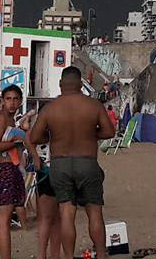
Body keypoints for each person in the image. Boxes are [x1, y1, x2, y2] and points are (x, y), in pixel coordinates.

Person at [28, 66, 116, 259]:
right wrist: (91, 134)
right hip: (87, 162)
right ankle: (101, 254)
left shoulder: (50, 108)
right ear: (80, 84)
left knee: (67, 214)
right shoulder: (93, 105)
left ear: (61, 84)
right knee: (94, 212)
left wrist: (53, 136)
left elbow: (34, 137)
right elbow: (110, 132)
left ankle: (68, 257)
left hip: (60, 164)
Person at [0, 86, 27, 259]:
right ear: (2, 101)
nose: (12, 103)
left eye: (15, 99)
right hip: (4, 171)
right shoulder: (1, 119)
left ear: (20, 100)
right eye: (8, 99)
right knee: (3, 222)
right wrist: (17, 142)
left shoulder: (9, 120)